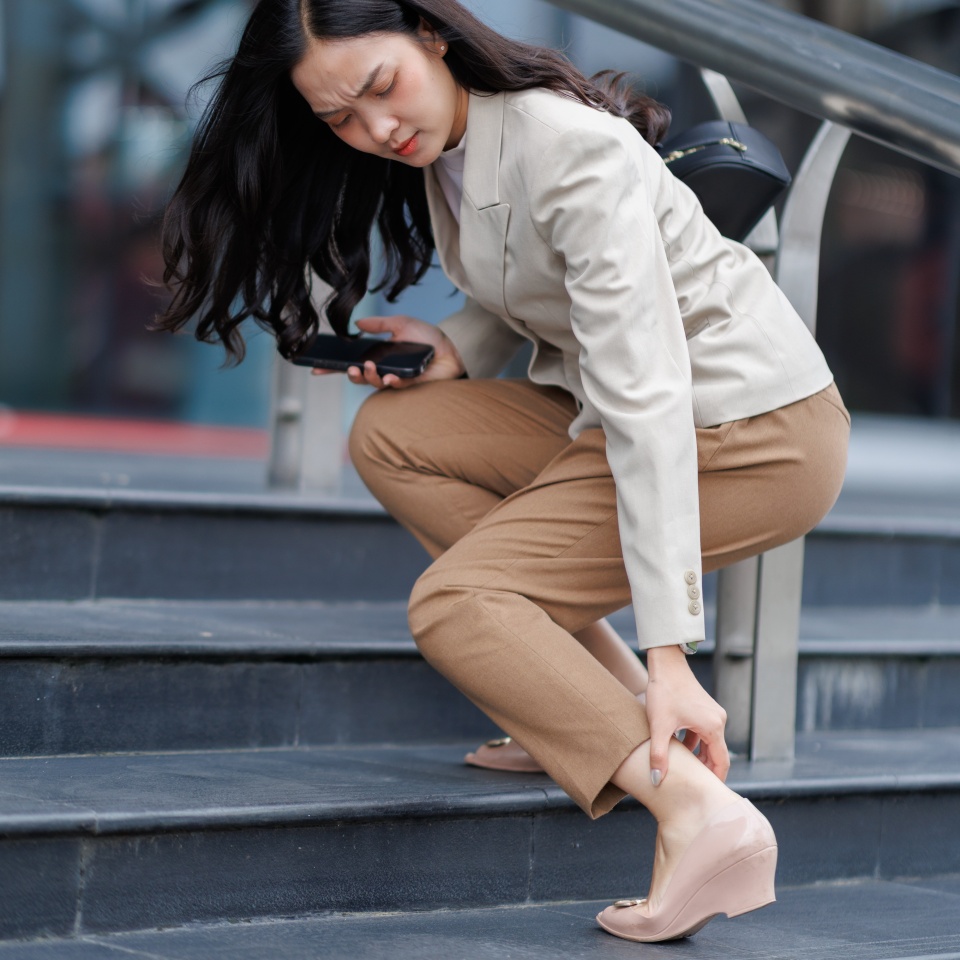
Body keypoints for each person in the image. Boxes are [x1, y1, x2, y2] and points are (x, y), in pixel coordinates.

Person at [156, 0, 850, 943]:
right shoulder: (456, 145)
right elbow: (552, 284)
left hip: (749, 436)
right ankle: (563, 696)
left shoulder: (567, 146)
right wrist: (456, 343)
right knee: (396, 433)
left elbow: (646, 392)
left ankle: (698, 811)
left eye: (381, 88)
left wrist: (670, 657)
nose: (377, 129)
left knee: (455, 605)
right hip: (629, 417)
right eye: (340, 120)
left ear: (432, 35)